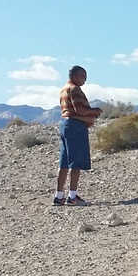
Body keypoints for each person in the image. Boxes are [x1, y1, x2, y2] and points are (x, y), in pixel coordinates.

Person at [54, 66, 102, 205]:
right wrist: (94, 111)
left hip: (65, 125)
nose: (85, 80)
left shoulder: (63, 89)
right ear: (75, 75)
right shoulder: (74, 89)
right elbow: (79, 109)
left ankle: (59, 196)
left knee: (64, 162)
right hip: (76, 126)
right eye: (83, 76)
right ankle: (73, 196)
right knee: (75, 162)